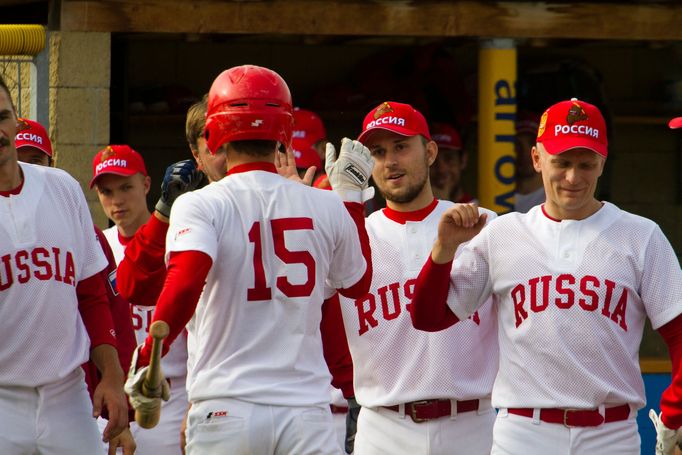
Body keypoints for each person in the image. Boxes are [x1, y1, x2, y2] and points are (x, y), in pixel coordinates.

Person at [124, 64, 374, 455]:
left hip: (227, 407)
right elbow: (357, 285)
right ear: (284, 130)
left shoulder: (199, 203)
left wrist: (147, 355)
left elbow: (186, 282)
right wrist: (351, 203)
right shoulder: (326, 204)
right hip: (306, 412)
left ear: (216, 132)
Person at [410, 97, 682, 455]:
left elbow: (678, 335)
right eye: (562, 162)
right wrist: (442, 253)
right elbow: (428, 318)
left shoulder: (641, 235)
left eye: (586, 164)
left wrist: (674, 415)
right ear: (538, 159)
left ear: (602, 161)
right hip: (523, 432)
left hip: (611, 433)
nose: (573, 177)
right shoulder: (503, 233)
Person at [325, 101, 498, 455]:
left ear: (430, 151)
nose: (389, 161)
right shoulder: (350, 235)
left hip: (471, 423)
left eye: (401, 147)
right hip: (383, 425)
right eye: (378, 151)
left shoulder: (483, 225)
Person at [0, 75, 128, 453]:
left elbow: (91, 294)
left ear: (16, 122)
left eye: (2, 117)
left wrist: (112, 375)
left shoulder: (63, 187)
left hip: (68, 395)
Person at [90, 144, 190, 455]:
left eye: (126, 187)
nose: (117, 200)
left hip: (171, 398)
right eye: (106, 191)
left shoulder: (181, 237)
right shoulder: (97, 246)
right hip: (112, 400)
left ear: (147, 185)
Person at [429, 122, 477, 203]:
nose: (441, 169)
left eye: (449, 158)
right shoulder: (412, 210)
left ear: (463, 160)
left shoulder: (482, 211)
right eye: (433, 160)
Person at [513, 111, 545, 212]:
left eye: (532, 142)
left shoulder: (559, 199)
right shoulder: (494, 198)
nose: (526, 153)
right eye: (517, 145)